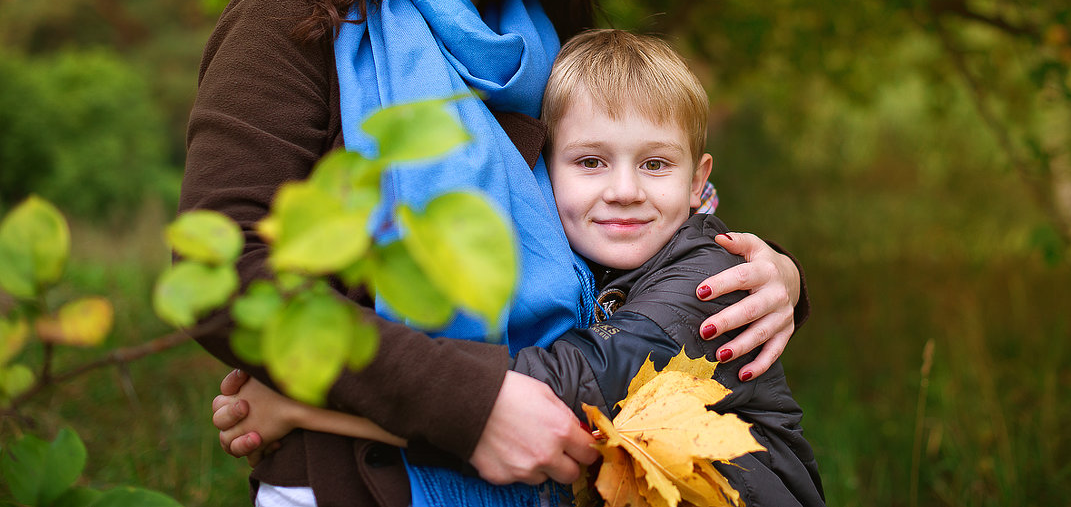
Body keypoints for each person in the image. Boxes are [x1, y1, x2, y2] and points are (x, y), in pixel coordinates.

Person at [183, 0, 806, 507]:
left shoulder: (556, 64)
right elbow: (223, 276)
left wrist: (775, 273)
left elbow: (643, 229)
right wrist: (467, 406)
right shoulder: (299, 23)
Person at [213, 29, 826, 507]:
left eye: (656, 165)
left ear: (699, 181)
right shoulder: (587, 266)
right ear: (542, 172)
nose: (624, 190)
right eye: (590, 162)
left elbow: (544, 403)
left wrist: (306, 410)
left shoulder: (710, 282)